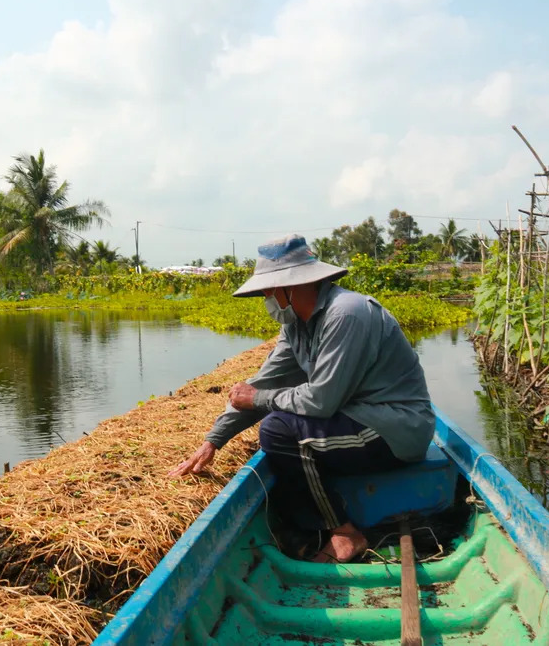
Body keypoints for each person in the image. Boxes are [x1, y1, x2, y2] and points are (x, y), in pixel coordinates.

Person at [168, 233, 436, 564]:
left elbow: (320, 400)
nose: (266, 298)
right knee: (279, 427)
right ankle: (310, 526)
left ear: (290, 287)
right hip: (359, 420)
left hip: (396, 427)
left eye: (268, 291)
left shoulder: (346, 314)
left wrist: (259, 398)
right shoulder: (297, 326)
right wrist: (214, 440)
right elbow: (265, 382)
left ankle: (345, 534)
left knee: (278, 430)